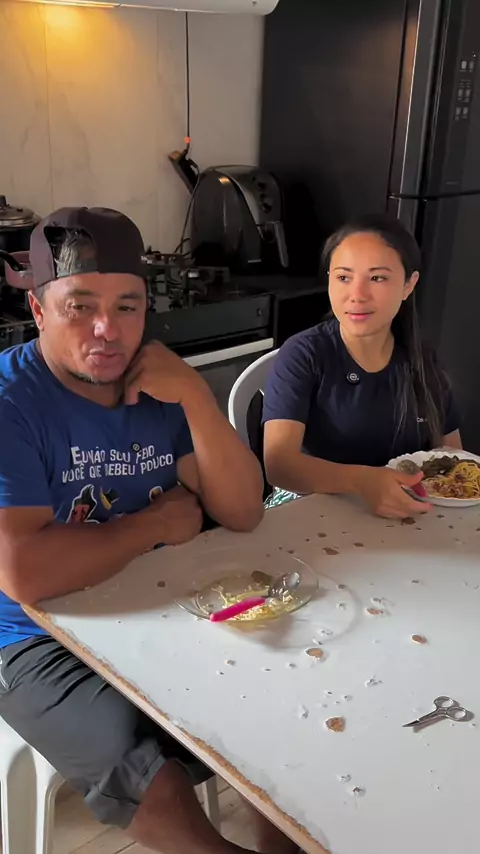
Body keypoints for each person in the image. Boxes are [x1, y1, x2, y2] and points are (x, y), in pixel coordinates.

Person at [0, 207, 298, 854]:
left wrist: (194, 394)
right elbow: (25, 574)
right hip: (31, 637)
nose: (107, 330)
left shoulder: (158, 387)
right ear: (39, 309)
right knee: (134, 759)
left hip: (159, 601)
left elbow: (243, 511)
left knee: (278, 700)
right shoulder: (10, 404)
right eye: (80, 306)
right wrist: (156, 523)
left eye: (127, 307)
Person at [262, 214, 462, 519]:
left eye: (377, 278)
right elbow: (279, 466)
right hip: (310, 514)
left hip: (404, 514)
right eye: (344, 277)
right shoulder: (304, 354)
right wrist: (362, 481)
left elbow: (452, 456)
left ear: (409, 285)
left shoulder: (423, 359)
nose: (357, 295)